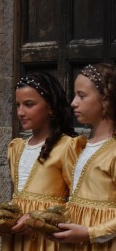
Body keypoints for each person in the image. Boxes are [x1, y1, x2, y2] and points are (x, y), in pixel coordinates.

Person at [0, 72, 79, 251]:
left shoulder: (67, 147)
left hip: (47, 239)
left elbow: (78, 202)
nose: (20, 112)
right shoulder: (16, 147)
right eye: (18, 105)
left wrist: (39, 218)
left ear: (50, 108)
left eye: (29, 105)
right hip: (18, 237)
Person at [51, 63, 116, 250]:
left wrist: (90, 233)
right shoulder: (85, 146)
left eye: (82, 95)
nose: (73, 103)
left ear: (106, 99)